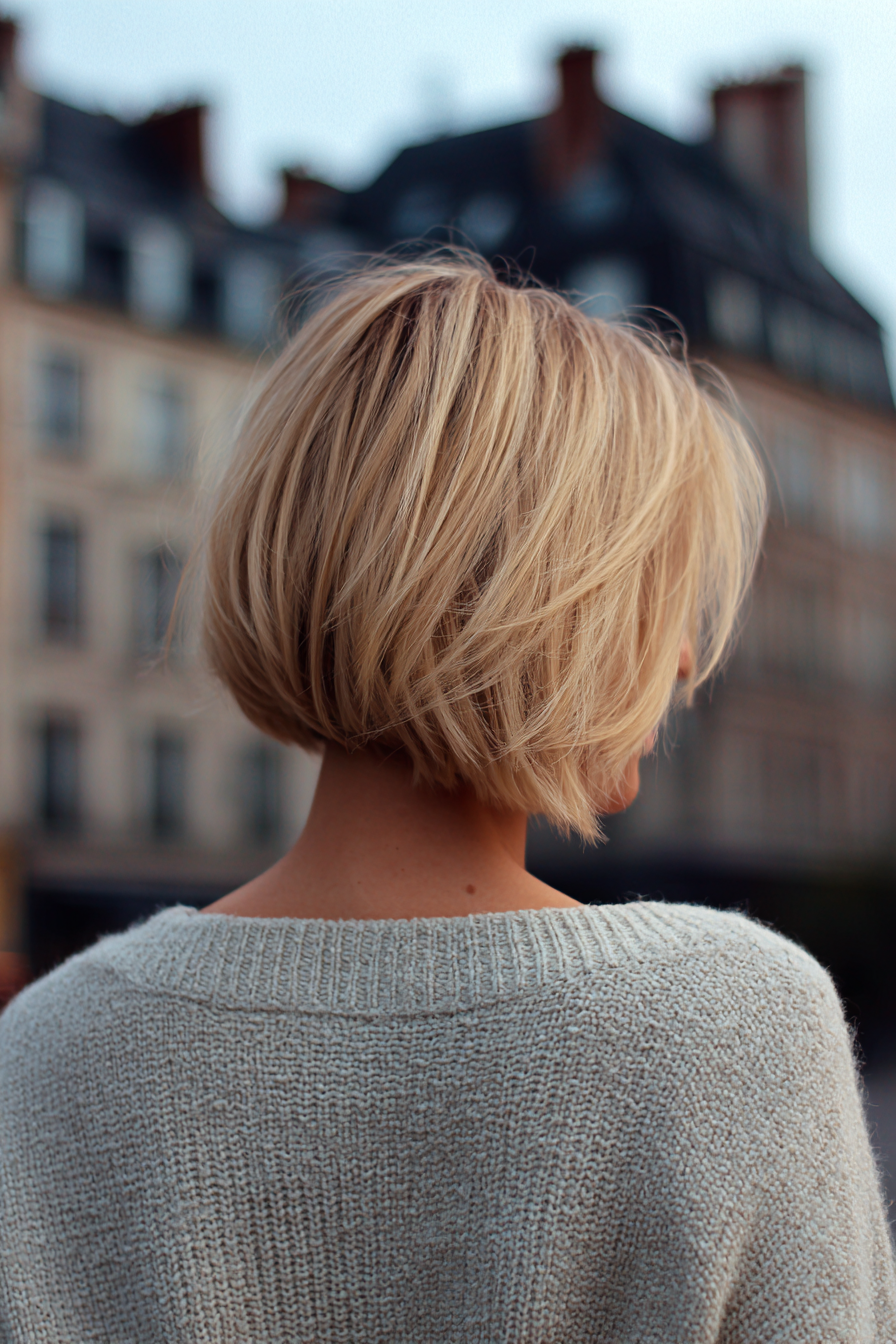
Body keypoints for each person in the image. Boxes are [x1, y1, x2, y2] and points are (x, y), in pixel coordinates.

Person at [1, 256, 893, 1342]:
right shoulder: (731, 1028)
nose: (683, 658)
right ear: (550, 605)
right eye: (653, 594)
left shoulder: (45, 1057)